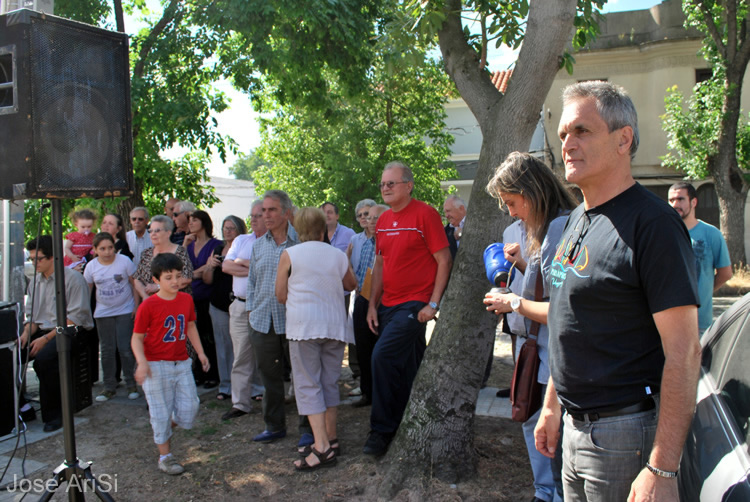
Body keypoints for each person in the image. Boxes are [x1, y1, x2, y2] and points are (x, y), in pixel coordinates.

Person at [535, 81, 700, 502]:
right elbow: (568, 322)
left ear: (623, 139)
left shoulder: (654, 224)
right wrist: (552, 405)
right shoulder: (577, 218)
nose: (567, 144)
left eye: (582, 131)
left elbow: (684, 352)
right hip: (572, 429)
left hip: (624, 436)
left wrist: (662, 467)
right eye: (563, 134)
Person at [484, 152, 578, 502]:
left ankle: (555, 492)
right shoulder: (544, 226)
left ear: (532, 192)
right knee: (533, 418)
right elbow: (545, 284)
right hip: (537, 345)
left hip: (557, 350)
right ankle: (546, 491)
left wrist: (514, 303)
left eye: (511, 202)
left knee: (555, 427)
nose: (510, 213)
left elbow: (562, 308)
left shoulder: (561, 228)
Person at [363, 161, 452, 456]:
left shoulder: (425, 214)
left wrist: (433, 303)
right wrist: (372, 305)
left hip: (414, 304)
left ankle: (381, 431)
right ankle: (410, 421)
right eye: (383, 184)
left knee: (382, 357)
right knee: (410, 366)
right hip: (387, 304)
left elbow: (444, 260)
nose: (385, 188)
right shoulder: (383, 220)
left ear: (408, 185)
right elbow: (380, 264)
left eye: (391, 183)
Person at [275, 207, 357, 470]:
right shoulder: (337, 255)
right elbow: (351, 284)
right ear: (323, 229)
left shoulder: (290, 254)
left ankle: (321, 447)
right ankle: (331, 438)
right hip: (333, 325)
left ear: (298, 230)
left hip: (304, 327)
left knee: (308, 385)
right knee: (329, 382)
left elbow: (280, 294)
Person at [132, 253, 210, 475]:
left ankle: (166, 427)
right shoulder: (149, 305)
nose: (175, 281)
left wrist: (200, 353)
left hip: (181, 362)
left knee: (190, 407)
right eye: (168, 277)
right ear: (156, 280)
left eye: (178, 275)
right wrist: (142, 363)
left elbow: (190, 326)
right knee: (160, 413)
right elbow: (136, 338)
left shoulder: (186, 299)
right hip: (155, 366)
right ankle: (165, 456)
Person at [21, 235, 95, 432]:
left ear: (53, 257)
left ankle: (55, 414)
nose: (34, 263)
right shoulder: (34, 282)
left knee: (44, 360)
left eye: (38, 259)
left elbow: (75, 319)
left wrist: (45, 339)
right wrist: (26, 334)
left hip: (72, 331)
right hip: (44, 330)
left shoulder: (73, 279)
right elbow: (33, 318)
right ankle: (23, 408)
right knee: (9, 355)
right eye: (31, 259)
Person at [246, 190, 302, 443]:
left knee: (302, 377)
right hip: (262, 322)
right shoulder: (258, 245)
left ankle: (308, 429)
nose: (265, 216)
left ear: (286, 213)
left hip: (294, 321)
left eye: (271, 210)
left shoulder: (301, 243)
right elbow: (252, 282)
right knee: (270, 378)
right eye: (263, 211)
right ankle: (274, 426)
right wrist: (251, 312)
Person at [221, 200, 265, 420]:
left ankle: (269, 398)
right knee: (241, 356)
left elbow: (269, 270)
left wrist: (243, 263)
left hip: (262, 305)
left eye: (259, 215)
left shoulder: (273, 241)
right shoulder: (240, 240)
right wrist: (252, 266)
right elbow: (226, 266)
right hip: (239, 305)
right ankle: (240, 403)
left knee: (267, 355)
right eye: (252, 215)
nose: (254, 219)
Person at [667, 182, 732, 332]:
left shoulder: (711, 234)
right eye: (671, 200)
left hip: (699, 324)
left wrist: (703, 291)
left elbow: (725, 273)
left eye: (680, 199)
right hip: (667, 324)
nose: (675, 204)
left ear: (693, 202)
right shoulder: (662, 233)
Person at [84, 232, 139, 402]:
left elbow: (135, 284)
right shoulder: (91, 266)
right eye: (102, 249)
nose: (107, 252)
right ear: (95, 250)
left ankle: (131, 384)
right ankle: (109, 386)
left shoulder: (124, 261)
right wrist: (86, 311)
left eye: (110, 248)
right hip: (103, 312)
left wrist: (136, 306)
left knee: (125, 348)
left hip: (125, 309)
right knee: (107, 350)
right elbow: (88, 289)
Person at [203, 215, 246, 400]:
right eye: (225, 228)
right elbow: (207, 280)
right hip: (218, 304)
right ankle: (226, 386)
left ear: (240, 230)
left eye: (231, 228)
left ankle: (248, 387)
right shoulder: (218, 249)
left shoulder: (244, 248)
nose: (227, 231)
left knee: (244, 347)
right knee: (223, 347)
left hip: (239, 302)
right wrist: (210, 266)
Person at [349, 203, 388, 408]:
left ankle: (383, 394)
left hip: (384, 300)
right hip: (363, 299)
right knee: (363, 348)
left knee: (381, 350)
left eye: (375, 217)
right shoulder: (361, 243)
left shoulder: (388, 240)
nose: (370, 221)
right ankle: (367, 393)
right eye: (367, 217)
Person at [184, 210, 222, 388]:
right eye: (189, 220)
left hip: (208, 296)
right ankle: (198, 372)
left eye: (195, 220)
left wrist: (190, 275)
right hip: (191, 296)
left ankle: (212, 374)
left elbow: (208, 267)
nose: (190, 223)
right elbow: (180, 266)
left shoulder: (216, 245)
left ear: (204, 222)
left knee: (209, 336)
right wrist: (184, 244)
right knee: (194, 335)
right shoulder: (189, 245)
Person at [133, 215, 193, 300]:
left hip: (176, 301)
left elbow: (187, 279)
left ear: (168, 233)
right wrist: (145, 296)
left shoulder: (180, 252)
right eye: (150, 231)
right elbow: (137, 279)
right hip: (152, 302)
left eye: (157, 231)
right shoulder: (146, 253)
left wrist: (158, 286)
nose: (153, 234)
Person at [443, 194, 467, 259]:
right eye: (445, 212)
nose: (446, 216)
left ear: (461, 208)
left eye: (448, 211)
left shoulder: (475, 224)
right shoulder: (445, 231)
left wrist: (465, 233)